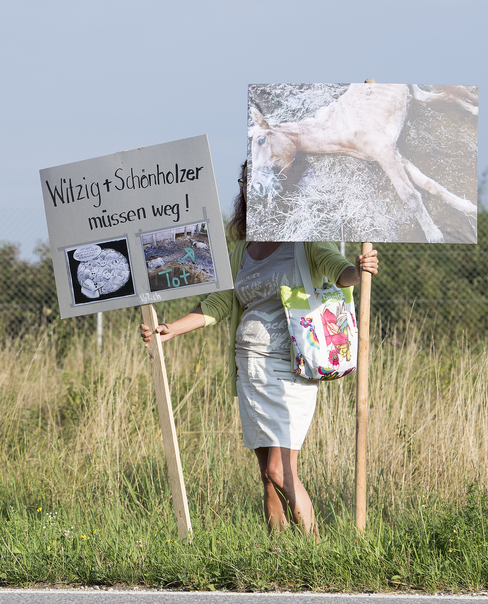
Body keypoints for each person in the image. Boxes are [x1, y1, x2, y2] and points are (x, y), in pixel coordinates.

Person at [140, 162, 378, 535]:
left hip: (291, 369)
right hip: (248, 369)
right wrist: (170, 329)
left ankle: (314, 548)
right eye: (248, 182)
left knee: (280, 471)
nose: (255, 188)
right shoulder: (241, 250)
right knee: (265, 477)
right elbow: (218, 304)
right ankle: (277, 555)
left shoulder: (307, 239)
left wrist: (358, 270)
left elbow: (337, 270)